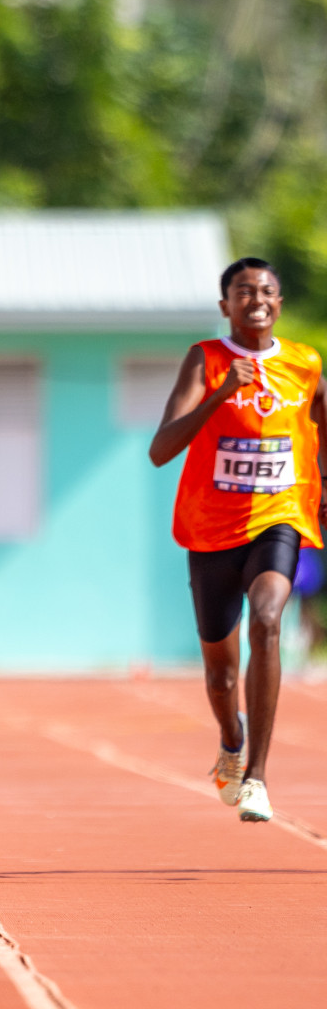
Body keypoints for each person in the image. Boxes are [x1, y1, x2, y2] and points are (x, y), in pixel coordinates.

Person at [150, 257, 325, 823]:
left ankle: (258, 777)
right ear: (225, 304)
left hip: (279, 518)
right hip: (210, 528)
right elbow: (161, 448)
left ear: (279, 303)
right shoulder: (206, 359)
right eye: (244, 290)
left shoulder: (305, 365)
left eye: (268, 290)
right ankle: (231, 741)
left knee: (269, 618)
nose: (257, 298)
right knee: (222, 675)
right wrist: (220, 394)